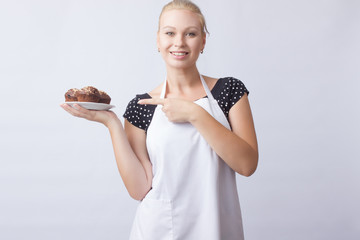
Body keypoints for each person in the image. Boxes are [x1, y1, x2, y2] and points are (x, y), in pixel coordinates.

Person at [61, 0, 258, 239]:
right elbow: (139, 189)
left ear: (203, 41)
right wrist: (111, 123)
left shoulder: (229, 91)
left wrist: (195, 114)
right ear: (158, 40)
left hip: (217, 229)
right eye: (170, 33)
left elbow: (247, 165)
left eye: (191, 33)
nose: (179, 42)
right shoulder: (142, 107)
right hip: (159, 230)